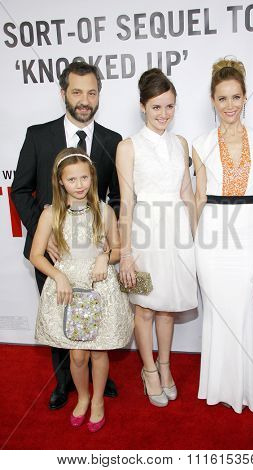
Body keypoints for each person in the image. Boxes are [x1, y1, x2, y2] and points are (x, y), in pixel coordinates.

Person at [11, 61, 120, 410]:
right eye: (77, 91)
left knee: (97, 316)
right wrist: (49, 230)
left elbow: (114, 196)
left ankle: (99, 379)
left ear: (99, 95)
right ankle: (63, 384)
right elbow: (20, 189)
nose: (84, 99)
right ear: (63, 94)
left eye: (92, 92)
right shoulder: (38, 134)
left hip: (93, 252)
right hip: (54, 253)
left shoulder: (112, 140)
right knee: (61, 318)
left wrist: (109, 240)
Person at [193, 58, 253, 419]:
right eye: (222, 98)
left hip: (247, 234)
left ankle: (247, 386)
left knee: (241, 310)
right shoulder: (200, 143)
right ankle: (219, 387)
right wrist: (187, 242)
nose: (230, 105)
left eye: (236, 97)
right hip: (212, 236)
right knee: (218, 314)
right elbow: (199, 196)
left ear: (246, 97)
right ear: (212, 101)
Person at [30, 148, 133, 431]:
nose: (79, 185)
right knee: (76, 354)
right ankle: (83, 396)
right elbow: (36, 255)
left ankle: (98, 399)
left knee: (99, 351)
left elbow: (117, 248)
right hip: (68, 289)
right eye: (72, 179)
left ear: (92, 177)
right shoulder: (51, 214)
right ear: (60, 181)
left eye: (84, 178)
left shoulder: (104, 210)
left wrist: (104, 256)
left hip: (98, 287)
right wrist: (58, 275)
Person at [116, 68, 197, 407]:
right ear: (142, 107)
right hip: (145, 238)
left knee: (167, 310)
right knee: (146, 309)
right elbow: (127, 202)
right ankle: (148, 369)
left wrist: (196, 240)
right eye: (156, 107)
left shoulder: (181, 143)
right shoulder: (128, 146)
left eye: (170, 106)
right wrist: (126, 253)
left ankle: (165, 366)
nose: (164, 114)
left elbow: (188, 195)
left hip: (177, 238)